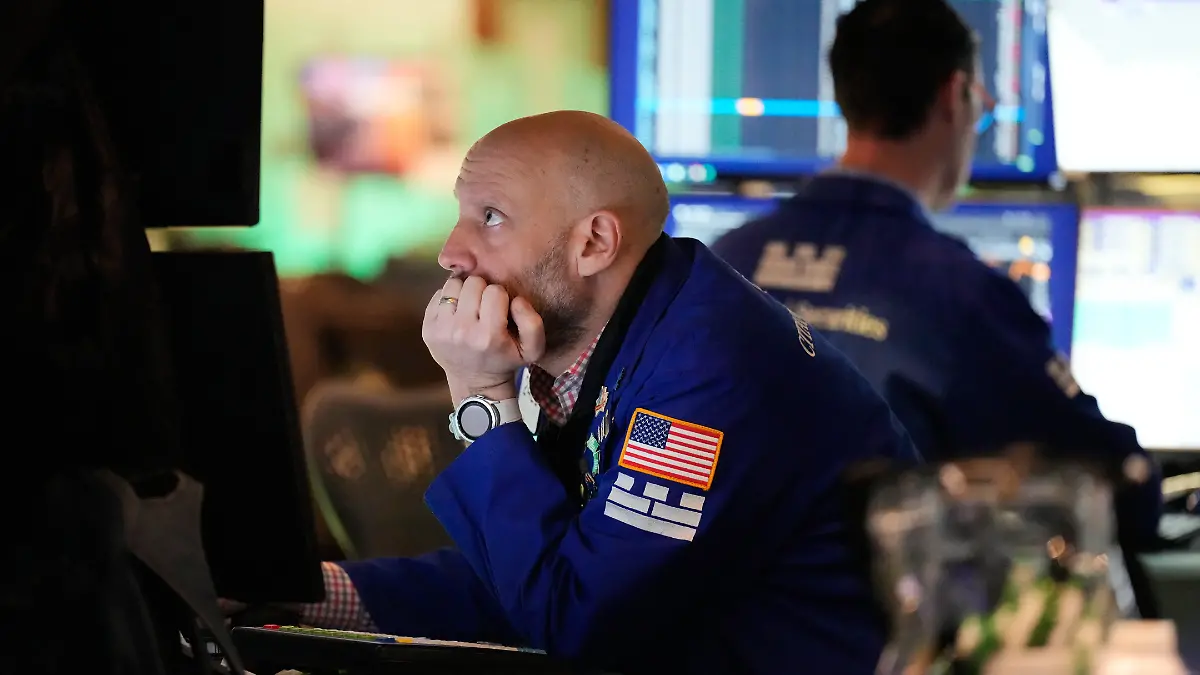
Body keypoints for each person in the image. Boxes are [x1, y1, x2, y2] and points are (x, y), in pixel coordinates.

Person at [288, 110, 919, 674]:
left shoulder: (705, 373)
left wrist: (482, 394)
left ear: (594, 243)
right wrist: (309, 595)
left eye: (492, 218)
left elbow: (574, 625)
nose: (453, 253)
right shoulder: (639, 330)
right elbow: (533, 571)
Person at [710, 0, 1161, 548]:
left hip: (712, 621)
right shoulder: (960, 295)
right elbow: (1120, 484)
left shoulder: (721, 264)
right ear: (955, 97)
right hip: (883, 620)